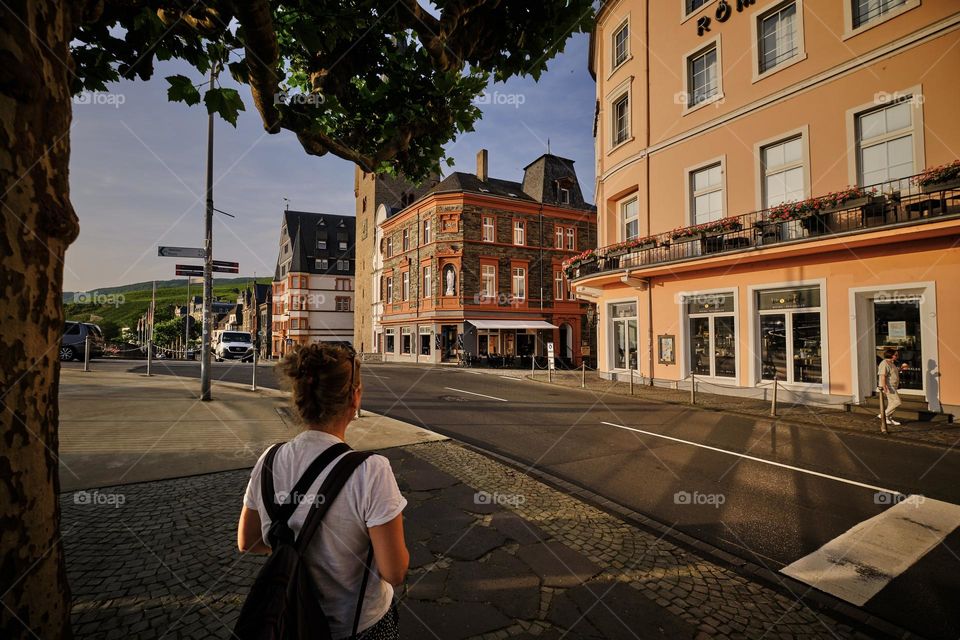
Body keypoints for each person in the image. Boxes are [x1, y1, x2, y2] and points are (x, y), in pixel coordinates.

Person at [237, 343, 409, 639]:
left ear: (300, 397)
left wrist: (295, 553)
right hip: (357, 626)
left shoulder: (270, 459)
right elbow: (394, 571)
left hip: (289, 620)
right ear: (354, 398)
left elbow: (248, 541)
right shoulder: (371, 470)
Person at [877, 348, 908, 427]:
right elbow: (882, 376)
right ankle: (884, 415)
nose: (897, 356)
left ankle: (888, 418)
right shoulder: (884, 363)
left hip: (893, 385)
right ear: (891, 355)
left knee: (891, 404)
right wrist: (884, 386)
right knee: (897, 402)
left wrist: (901, 368)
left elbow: (893, 373)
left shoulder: (892, 363)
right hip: (888, 386)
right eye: (896, 355)